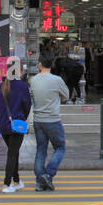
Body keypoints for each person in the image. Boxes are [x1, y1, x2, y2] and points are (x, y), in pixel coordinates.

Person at [30, 52, 71, 191]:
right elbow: (66, 95)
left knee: (41, 150)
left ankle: (39, 181)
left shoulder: (33, 80)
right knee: (60, 147)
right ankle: (48, 174)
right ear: (52, 64)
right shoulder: (57, 80)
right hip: (53, 119)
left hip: (38, 120)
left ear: (40, 64)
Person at [0, 57, 32, 193]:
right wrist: (23, 118)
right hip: (17, 125)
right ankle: (6, 184)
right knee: (12, 154)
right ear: (19, 70)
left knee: (14, 152)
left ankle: (16, 180)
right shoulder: (22, 86)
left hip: (4, 126)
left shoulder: (2, 85)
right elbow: (27, 105)